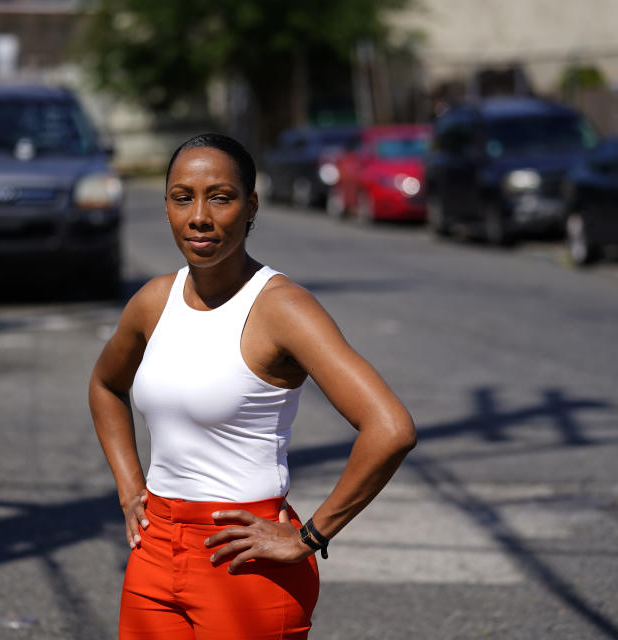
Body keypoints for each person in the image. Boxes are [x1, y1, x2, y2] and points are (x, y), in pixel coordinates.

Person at [88, 133, 416, 639]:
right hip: (153, 553)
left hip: (244, 560)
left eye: (220, 196)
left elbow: (390, 428)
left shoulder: (282, 307)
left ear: (250, 205)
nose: (199, 216)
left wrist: (308, 537)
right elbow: (106, 385)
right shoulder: (154, 300)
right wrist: (131, 487)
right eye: (182, 198)